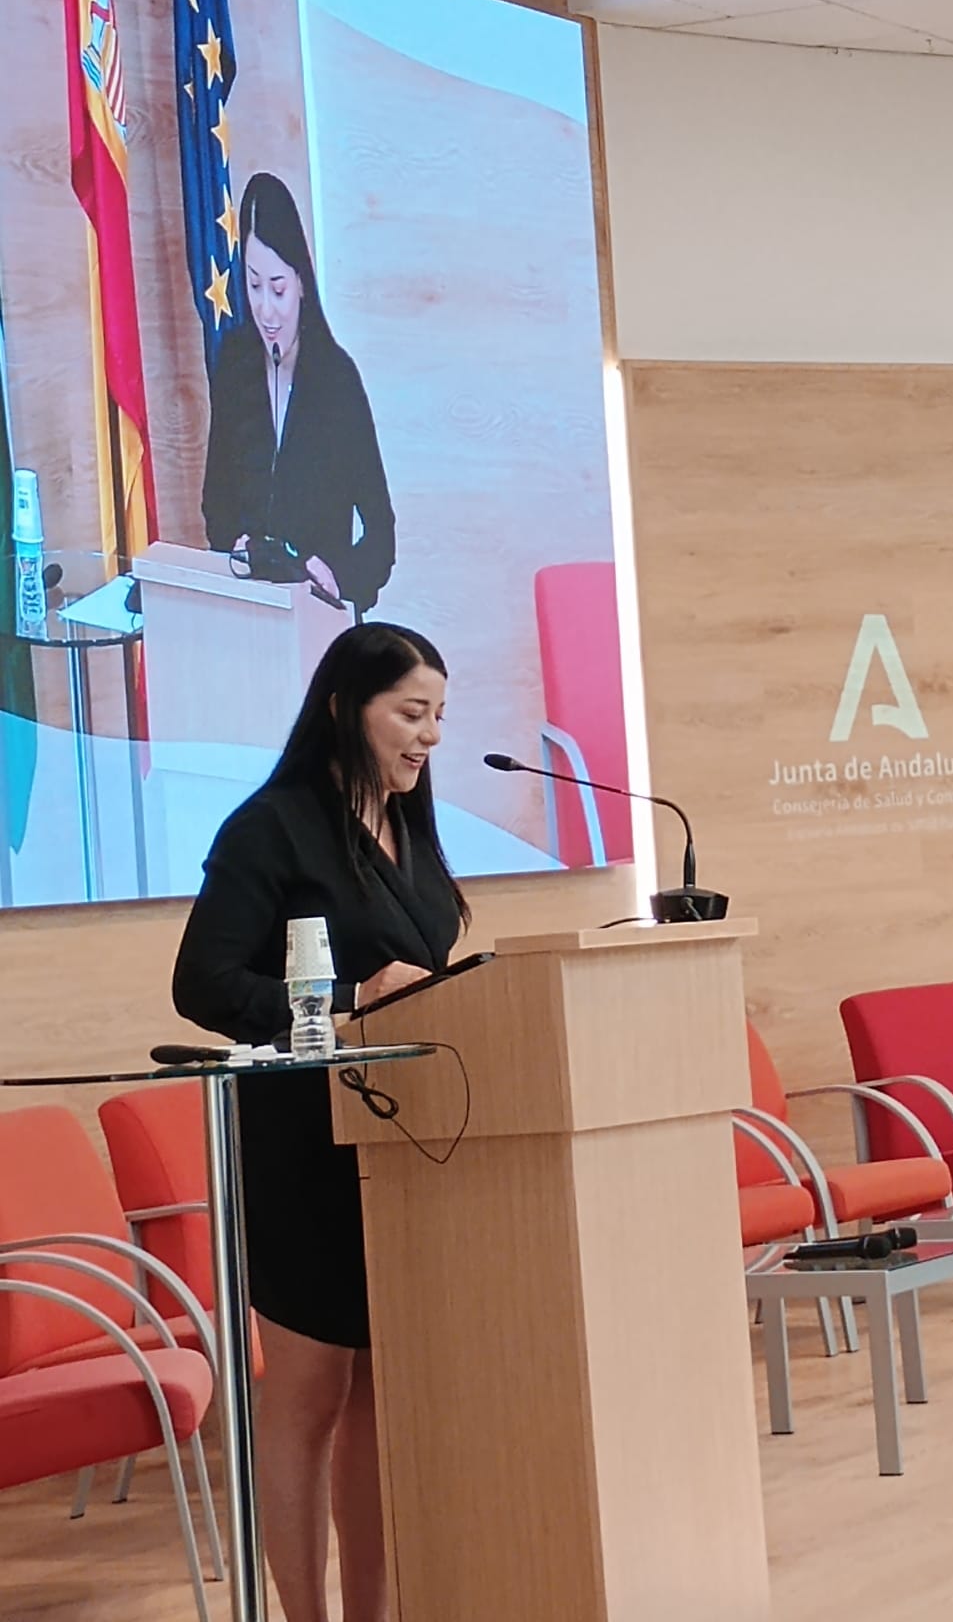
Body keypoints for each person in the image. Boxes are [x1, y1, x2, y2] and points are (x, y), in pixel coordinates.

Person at [173, 623, 468, 1622]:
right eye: (412, 712)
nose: (430, 736)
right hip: (301, 1142)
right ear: (346, 708)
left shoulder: (410, 824)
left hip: (398, 1141)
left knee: (381, 1394)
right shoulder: (274, 827)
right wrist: (342, 1000)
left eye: (439, 716)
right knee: (309, 1397)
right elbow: (204, 982)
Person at [202, 171, 396, 613]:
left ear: (302, 282)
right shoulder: (234, 362)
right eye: (253, 286)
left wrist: (338, 576)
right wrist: (235, 547)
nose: (266, 310)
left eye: (278, 289)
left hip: (319, 612)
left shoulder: (337, 380)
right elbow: (216, 498)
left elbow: (381, 534)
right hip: (248, 605)